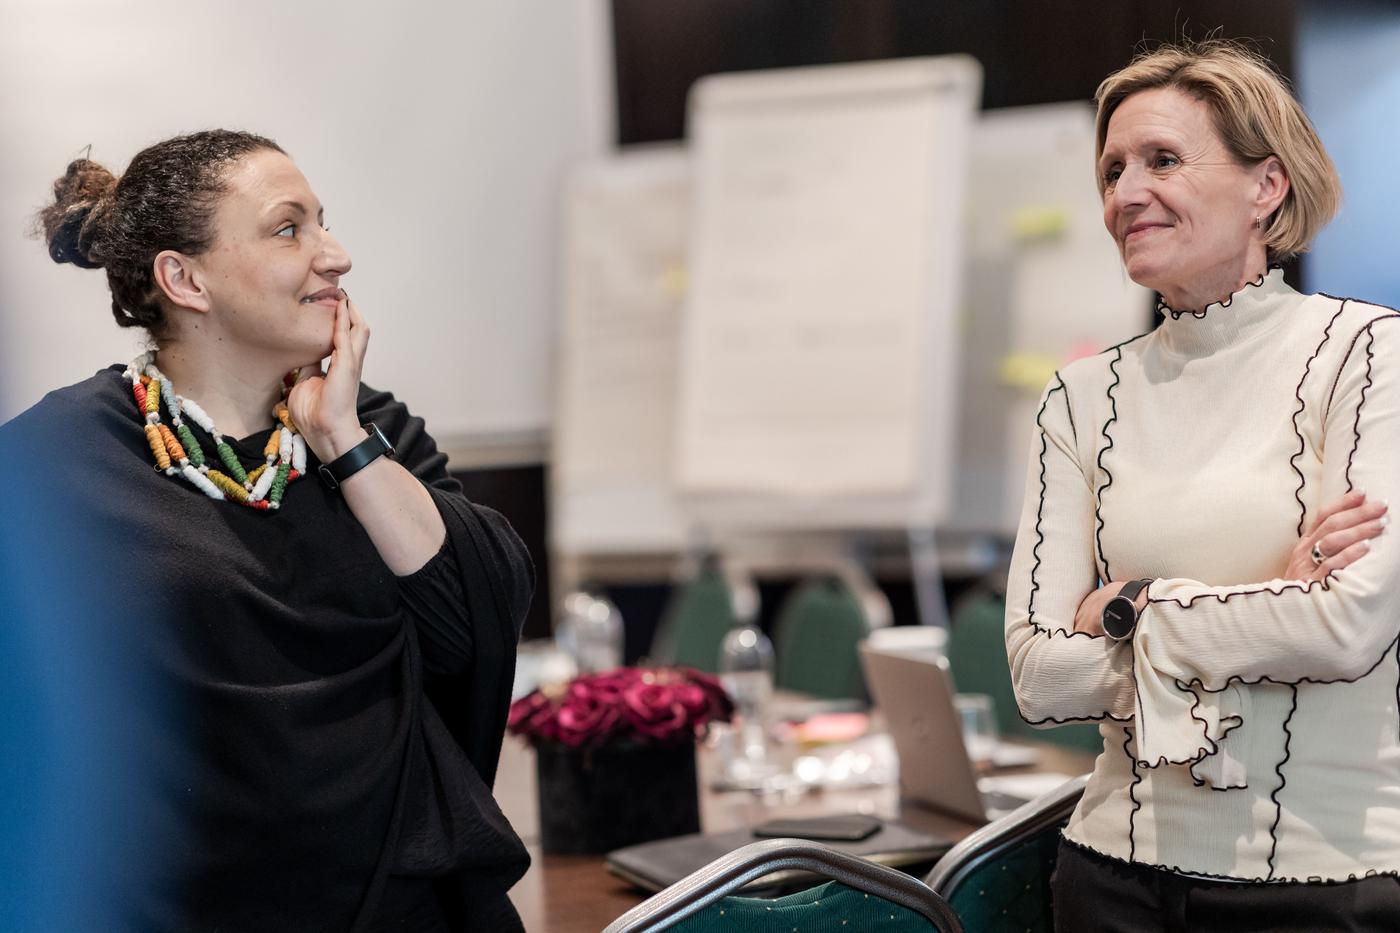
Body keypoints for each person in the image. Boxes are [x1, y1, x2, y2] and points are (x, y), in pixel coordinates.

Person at [0, 130, 532, 931]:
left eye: (325, 224)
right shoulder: (52, 463)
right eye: (290, 229)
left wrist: (343, 440)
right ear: (185, 279)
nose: (337, 256)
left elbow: (475, 622)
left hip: (402, 908)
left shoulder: (372, 432)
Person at [1004, 40, 1400, 931]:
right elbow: (1037, 673)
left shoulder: (1370, 353)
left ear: (1268, 187)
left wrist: (1130, 606)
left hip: (1325, 878)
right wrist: (1269, 608)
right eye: (1113, 169)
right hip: (1109, 874)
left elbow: (1346, 626)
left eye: (1163, 160)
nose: (1125, 193)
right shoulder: (1080, 396)